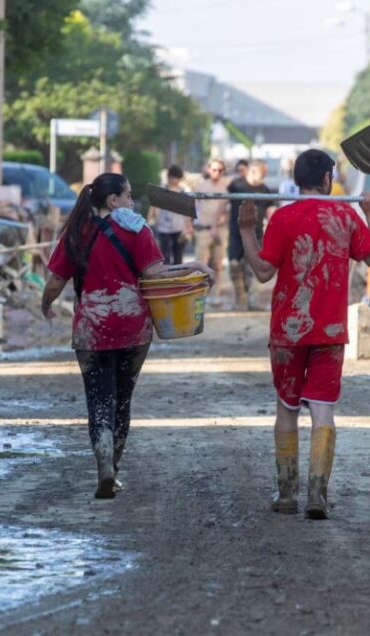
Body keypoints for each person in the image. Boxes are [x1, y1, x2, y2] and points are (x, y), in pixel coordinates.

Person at [41, 173, 212, 499]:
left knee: (98, 400)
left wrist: (45, 304)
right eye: (128, 196)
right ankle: (114, 468)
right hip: (133, 329)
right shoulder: (137, 229)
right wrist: (194, 266)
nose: (132, 203)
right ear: (112, 200)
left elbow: (54, 281)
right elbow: (155, 274)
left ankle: (103, 464)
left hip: (92, 329)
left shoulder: (77, 232)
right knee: (122, 399)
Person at [237, 149, 370, 519]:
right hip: (331, 331)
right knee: (323, 411)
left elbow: (261, 272)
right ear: (326, 179)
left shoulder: (283, 217)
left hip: (288, 331)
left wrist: (245, 229)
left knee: (287, 408)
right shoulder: (346, 215)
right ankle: (318, 494)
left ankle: (287, 495)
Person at [227, 160, 273, 310]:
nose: (263, 177)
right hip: (236, 233)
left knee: (252, 269)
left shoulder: (265, 189)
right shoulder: (236, 185)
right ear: (253, 171)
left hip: (256, 234)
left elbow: (270, 210)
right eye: (262, 174)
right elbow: (223, 202)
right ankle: (240, 299)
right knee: (234, 265)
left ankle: (252, 300)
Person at [194, 159, 230, 304]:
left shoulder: (226, 187)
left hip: (220, 229)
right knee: (201, 264)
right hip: (203, 229)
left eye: (220, 170)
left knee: (218, 264)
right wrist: (189, 226)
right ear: (209, 170)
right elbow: (192, 207)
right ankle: (200, 295)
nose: (217, 173)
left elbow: (229, 209)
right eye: (214, 169)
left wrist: (221, 221)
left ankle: (217, 294)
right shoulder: (201, 186)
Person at [149, 165, 192, 265]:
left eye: (177, 177)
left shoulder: (183, 191)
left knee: (178, 256)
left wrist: (188, 227)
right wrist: (150, 220)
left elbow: (188, 211)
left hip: (179, 228)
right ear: (169, 177)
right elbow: (153, 207)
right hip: (164, 228)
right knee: (165, 256)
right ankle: (167, 278)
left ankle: (177, 279)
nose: (175, 180)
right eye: (173, 177)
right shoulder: (161, 190)